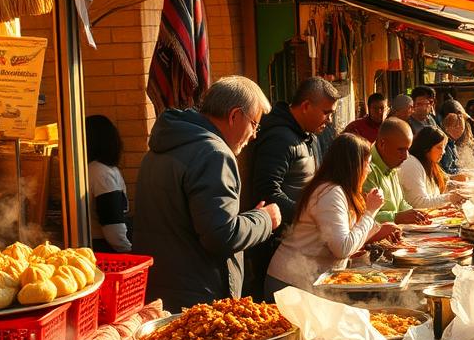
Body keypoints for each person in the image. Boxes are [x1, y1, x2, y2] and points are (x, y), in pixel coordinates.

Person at [134, 76, 282, 312]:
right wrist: (265, 219)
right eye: (254, 124)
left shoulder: (161, 148)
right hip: (197, 298)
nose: (254, 135)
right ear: (235, 116)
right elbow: (222, 235)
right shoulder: (214, 154)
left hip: (162, 290)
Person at [266, 134, 400, 293]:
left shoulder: (337, 190)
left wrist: (378, 230)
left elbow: (342, 238)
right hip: (291, 283)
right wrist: (370, 212)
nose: (369, 171)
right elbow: (342, 248)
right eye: (367, 164)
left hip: (310, 282)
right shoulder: (330, 193)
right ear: (354, 166)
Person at [241, 77, 336, 299]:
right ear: (305, 106)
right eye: (326, 112)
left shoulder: (308, 136)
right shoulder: (278, 138)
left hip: (300, 244)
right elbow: (267, 191)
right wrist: (309, 215)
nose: (329, 120)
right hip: (276, 245)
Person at [364, 118, 433, 226]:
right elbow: (363, 216)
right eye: (401, 150)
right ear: (382, 144)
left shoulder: (391, 163)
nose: (406, 156)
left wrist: (415, 214)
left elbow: (400, 203)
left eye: (408, 149)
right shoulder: (365, 168)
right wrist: (396, 217)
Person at [86, 115, 130, 253]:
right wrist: (129, 250)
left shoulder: (93, 169)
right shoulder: (103, 173)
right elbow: (112, 225)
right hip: (105, 248)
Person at [399, 126, 463, 209]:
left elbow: (435, 195)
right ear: (426, 147)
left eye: (444, 147)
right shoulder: (411, 164)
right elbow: (419, 203)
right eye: (439, 147)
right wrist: (449, 198)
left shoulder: (430, 164)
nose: (443, 152)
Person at [440, 108, 472, 177]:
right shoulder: (445, 144)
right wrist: (461, 171)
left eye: (462, 128)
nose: (459, 131)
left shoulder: (452, 143)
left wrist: (465, 170)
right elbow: (446, 170)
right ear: (446, 128)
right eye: (455, 127)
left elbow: (455, 165)